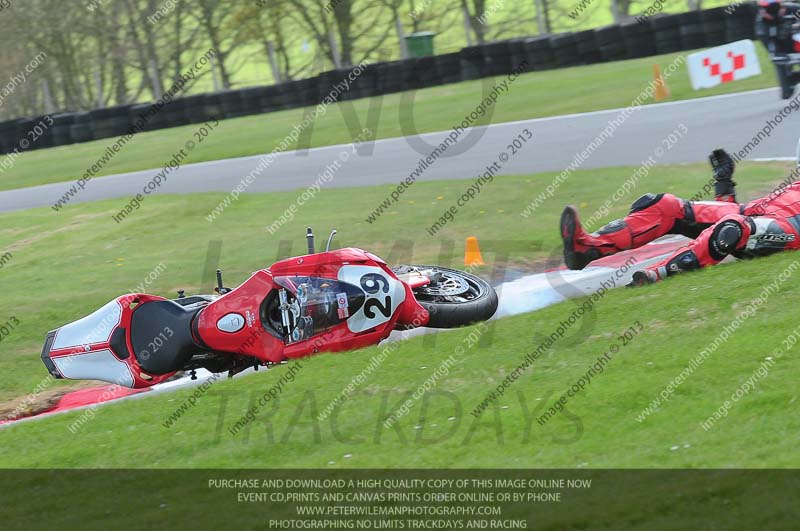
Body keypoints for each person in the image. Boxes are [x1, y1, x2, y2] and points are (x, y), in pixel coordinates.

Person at [560, 149, 800, 286]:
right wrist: (724, 183)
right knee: (662, 205)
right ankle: (586, 248)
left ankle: (657, 273)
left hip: (788, 230)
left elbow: (739, 225)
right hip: (750, 214)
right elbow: (741, 213)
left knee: (732, 229)